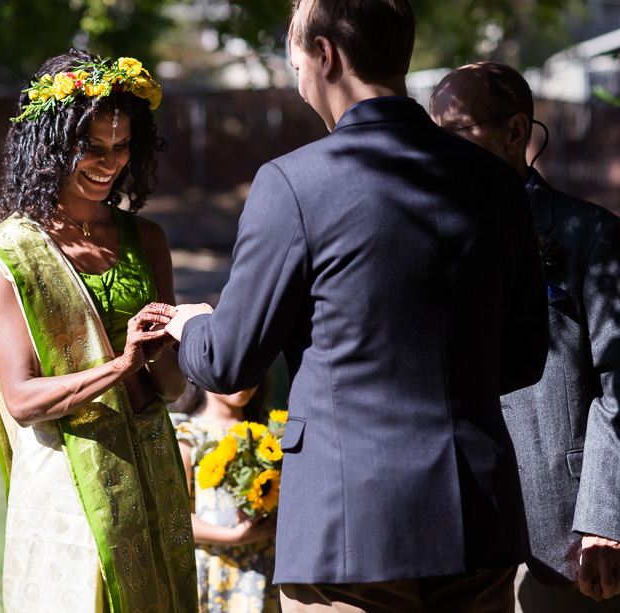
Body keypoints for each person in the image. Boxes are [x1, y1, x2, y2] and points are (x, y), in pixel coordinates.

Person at [155, 0, 551, 610]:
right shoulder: (496, 181)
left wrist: (192, 325)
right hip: (478, 516)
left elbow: (231, 361)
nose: (298, 83)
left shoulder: (293, 182)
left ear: (324, 55)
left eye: (294, 65)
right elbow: (525, 357)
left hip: (350, 530)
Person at [0, 49, 198, 613]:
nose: (109, 163)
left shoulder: (147, 239)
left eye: (122, 146)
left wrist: (179, 338)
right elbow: (22, 399)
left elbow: (172, 390)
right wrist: (119, 364)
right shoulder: (11, 256)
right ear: (52, 146)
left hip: (152, 471)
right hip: (69, 487)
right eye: (92, 147)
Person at [430, 61, 620, 612]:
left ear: (515, 132)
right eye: (432, 134)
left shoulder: (591, 237)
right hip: (454, 536)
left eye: (457, 132)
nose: (441, 150)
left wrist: (603, 517)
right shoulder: (427, 236)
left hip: (566, 539)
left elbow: (618, 385)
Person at [174, 380, 280, 613]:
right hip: (212, 573)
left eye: (250, 369)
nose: (242, 379)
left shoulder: (271, 435)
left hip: (265, 570)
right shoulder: (188, 435)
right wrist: (235, 537)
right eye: (229, 369)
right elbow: (174, 519)